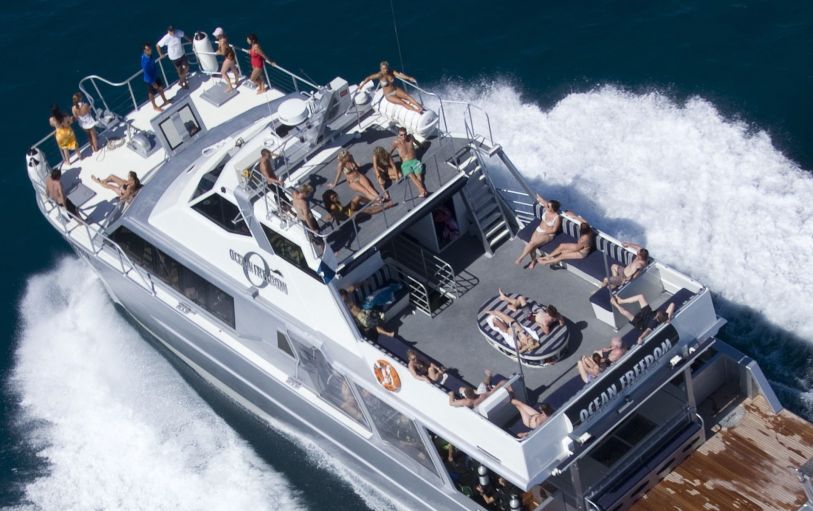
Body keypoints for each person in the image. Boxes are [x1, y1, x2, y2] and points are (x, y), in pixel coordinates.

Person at [515, 193, 561, 269]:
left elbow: (554, 230)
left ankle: (521, 258)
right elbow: (543, 202)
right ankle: (533, 261)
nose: (547, 206)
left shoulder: (557, 217)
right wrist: (538, 197)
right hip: (539, 230)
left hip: (548, 234)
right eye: (547, 205)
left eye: (548, 206)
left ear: (552, 209)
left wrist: (544, 232)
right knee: (532, 246)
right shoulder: (548, 208)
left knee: (532, 243)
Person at [359, 60, 424, 113]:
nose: (385, 70)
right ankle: (416, 111)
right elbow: (369, 78)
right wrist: (362, 85)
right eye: (384, 69)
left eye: (386, 68)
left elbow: (399, 75)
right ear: (381, 68)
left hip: (395, 90)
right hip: (389, 95)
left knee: (407, 96)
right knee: (402, 102)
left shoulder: (391, 71)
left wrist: (409, 78)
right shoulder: (379, 75)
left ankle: (420, 107)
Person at [497, 289, 565, 335]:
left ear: (548, 313)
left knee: (521, 298)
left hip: (529, 316)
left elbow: (547, 332)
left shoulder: (545, 321)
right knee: (520, 302)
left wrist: (540, 324)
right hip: (535, 311)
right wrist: (559, 319)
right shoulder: (557, 315)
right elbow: (562, 324)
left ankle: (513, 307)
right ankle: (504, 298)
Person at [391, 127, 428, 198]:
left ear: (406, 133)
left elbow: (416, 142)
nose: (403, 136)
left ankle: (422, 192)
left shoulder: (410, 138)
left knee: (419, 177)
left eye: (405, 134)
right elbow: (391, 151)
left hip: (414, 161)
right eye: (401, 135)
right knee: (412, 176)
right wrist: (388, 159)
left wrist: (421, 146)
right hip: (405, 164)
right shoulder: (396, 142)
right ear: (398, 135)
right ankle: (423, 190)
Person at [141, 44, 168, 111]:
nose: (150, 50)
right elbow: (146, 73)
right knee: (151, 93)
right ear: (145, 51)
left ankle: (165, 100)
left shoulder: (149, 56)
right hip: (150, 80)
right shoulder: (146, 62)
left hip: (155, 76)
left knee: (161, 88)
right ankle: (155, 106)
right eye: (148, 50)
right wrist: (152, 83)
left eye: (150, 49)